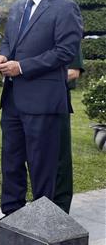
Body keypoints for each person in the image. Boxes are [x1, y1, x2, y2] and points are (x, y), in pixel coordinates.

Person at [0, 0, 82, 232]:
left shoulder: (64, 8)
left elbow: (65, 52)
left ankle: (42, 223)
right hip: (13, 99)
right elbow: (7, 43)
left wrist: (22, 67)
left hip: (44, 101)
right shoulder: (18, 7)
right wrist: (2, 57)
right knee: (11, 159)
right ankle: (12, 215)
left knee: (43, 164)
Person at [54, 50, 84, 214]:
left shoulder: (66, 26)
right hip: (27, 99)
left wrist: (40, 81)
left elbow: (73, 72)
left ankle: (60, 210)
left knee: (59, 156)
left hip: (56, 99)